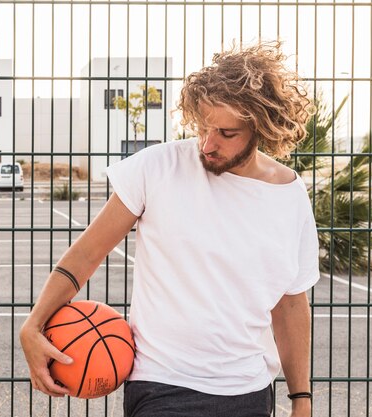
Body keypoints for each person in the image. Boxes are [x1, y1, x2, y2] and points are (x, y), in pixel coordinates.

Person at [20, 41, 319, 417]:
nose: (209, 144)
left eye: (226, 133)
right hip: (162, 384)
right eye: (204, 128)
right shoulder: (158, 167)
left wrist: (301, 400)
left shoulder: (288, 196)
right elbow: (87, 253)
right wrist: (33, 324)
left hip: (249, 390)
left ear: (262, 127)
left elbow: (290, 305)